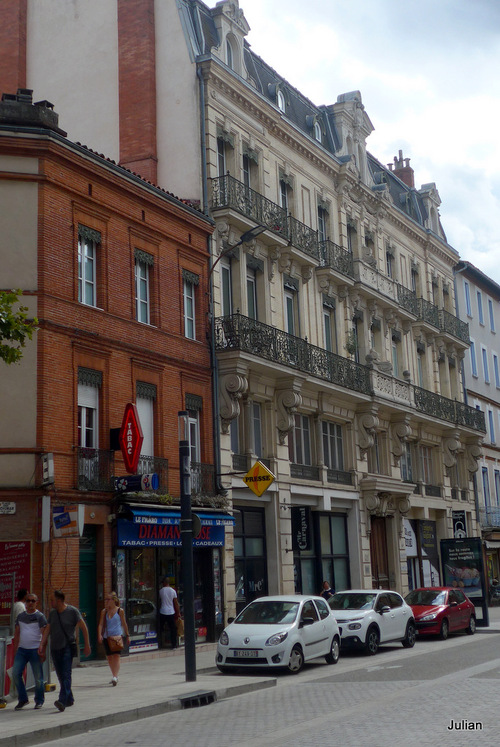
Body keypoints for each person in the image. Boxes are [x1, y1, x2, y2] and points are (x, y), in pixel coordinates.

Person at [39, 589, 91, 712]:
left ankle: (62, 700)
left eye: (52, 600)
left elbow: (83, 627)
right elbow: (47, 629)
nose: (50, 602)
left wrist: (87, 645)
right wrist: (42, 644)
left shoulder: (72, 611)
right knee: (61, 675)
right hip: (55, 648)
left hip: (67, 646)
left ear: (59, 600)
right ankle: (69, 698)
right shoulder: (52, 614)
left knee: (66, 673)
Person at [12, 593, 47, 710]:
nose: (30, 603)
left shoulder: (40, 617)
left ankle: (39, 700)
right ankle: (23, 699)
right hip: (22, 650)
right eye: (28, 601)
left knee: (38, 677)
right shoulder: (20, 616)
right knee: (16, 674)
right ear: (25, 603)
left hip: (35, 649)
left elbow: (44, 634)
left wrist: (42, 650)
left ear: (36, 602)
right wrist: (15, 650)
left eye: (33, 601)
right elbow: (17, 633)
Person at [97, 591, 130, 686]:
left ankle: (115, 676)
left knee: (116, 656)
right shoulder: (104, 611)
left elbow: (124, 624)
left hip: (117, 637)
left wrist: (127, 635)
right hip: (107, 637)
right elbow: (101, 624)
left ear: (113, 600)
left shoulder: (120, 611)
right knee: (109, 657)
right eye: (106, 599)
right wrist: (99, 634)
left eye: (108, 599)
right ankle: (114, 675)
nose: (106, 601)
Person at [159, 577, 180, 650]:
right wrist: (178, 612)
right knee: (173, 629)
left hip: (163, 611)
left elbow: (160, 600)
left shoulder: (161, 591)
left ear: (164, 583)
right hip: (171, 612)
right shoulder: (173, 591)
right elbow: (176, 603)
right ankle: (173, 645)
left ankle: (159, 643)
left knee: (160, 627)